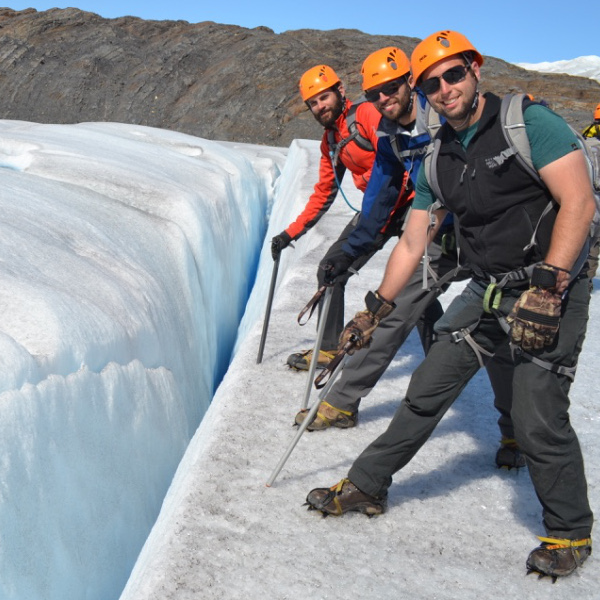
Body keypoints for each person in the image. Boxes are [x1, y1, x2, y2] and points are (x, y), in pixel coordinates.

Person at [305, 30, 595, 580]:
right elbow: (414, 241)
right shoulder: (434, 158)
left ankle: (569, 530)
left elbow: (578, 200)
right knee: (425, 392)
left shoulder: (527, 123)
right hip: (486, 291)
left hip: (547, 290)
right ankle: (368, 484)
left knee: (538, 416)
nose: (445, 88)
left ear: (475, 70)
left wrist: (550, 286)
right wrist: (376, 308)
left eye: (453, 74)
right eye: (432, 83)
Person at [294, 46, 523, 469]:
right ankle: (343, 400)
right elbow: (378, 203)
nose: (385, 98)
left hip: (488, 234)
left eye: (392, 87)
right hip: (438, 233)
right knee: (397, 306)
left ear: (409, 83)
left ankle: (516, 431)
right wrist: (351, 251)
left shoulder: (441, 115)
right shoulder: (388, 136)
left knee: (500, 331)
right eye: (376, 92)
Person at [271, 64, 394, 371]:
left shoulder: (365, 115)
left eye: (324, 97)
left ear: (340, 92)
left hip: (403, 202)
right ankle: (327, 349)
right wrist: (290, 233)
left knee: (420, 281)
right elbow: (324, 192)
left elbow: (396, 156)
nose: (319, 106)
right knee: (330, 269)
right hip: (374, 210)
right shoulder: (331, 142)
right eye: (313, 103)